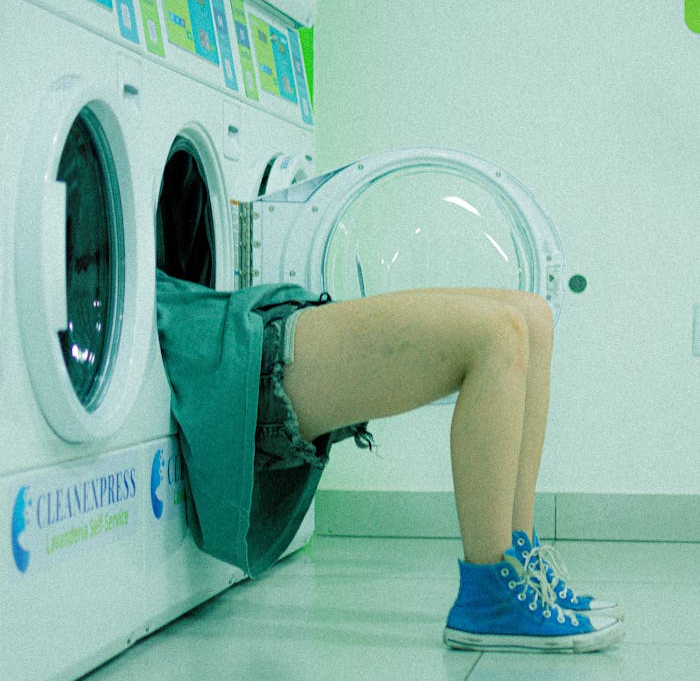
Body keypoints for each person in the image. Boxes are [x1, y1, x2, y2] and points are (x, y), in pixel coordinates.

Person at [156, 274, 625, 655]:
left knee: (533, 316)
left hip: (244, 316)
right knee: (498, 332)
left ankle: (520, 566)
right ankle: (491, 595)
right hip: (232, 347)